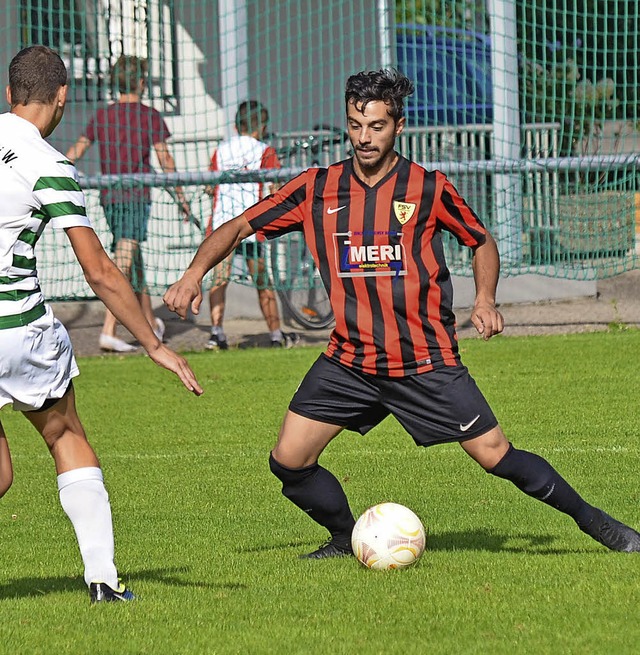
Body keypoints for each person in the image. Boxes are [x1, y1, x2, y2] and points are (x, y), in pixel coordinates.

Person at [164, 68, 640, 558]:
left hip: (425, 360)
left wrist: (485, 299)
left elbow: (480, 242)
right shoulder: (316, 188)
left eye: (376, 126)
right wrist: (192, 274)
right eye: (355, 125)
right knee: (289, 460)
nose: (364, 137)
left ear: (399, 126)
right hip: (350, 361)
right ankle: (345, 537)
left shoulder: (427, 188)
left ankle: (597, 524)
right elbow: (239, 225)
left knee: (496, 455)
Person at [0, 45, 203, 602]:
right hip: (17, 330)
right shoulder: (49, 164)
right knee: (65, 433)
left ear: (8, 92)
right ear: (61, 98)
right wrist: (153, 342)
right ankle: (104, 581)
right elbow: (101, 271)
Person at [66, 55, 192, 353]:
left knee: (134, 263)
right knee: (122, 261)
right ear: (141, 82)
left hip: (110, 198)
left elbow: (75, 152)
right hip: (135, 197)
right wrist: (182, 198)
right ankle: (109, 329)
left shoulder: (102, 116)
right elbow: (165, 159)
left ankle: (148, 322)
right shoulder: (149, 115)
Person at [204, 100, 298, 350]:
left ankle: (216, 333)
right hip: (250, 224)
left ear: (237, 124)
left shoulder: (221, 150)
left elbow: (209, 187)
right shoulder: (264, 151)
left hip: (222, 223)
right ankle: (276, 334)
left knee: (219, 279)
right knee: (261, 280)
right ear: (263, 126)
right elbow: (276, 188)